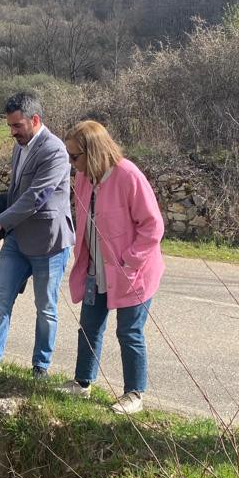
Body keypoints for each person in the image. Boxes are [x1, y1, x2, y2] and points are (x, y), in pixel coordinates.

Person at [61, 120, 164, 415]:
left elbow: (153, 226)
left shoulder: (128, 175)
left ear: (93, 152)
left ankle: (134, 394)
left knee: (129, 332)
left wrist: (129, 261)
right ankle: (83, 383)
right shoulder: (83, 178)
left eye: (75, 156)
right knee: (89, 326)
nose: (71, 162)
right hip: (97, 270)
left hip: (133, 272)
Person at [0, 93, 74, 378]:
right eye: (10, 126)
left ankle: (40, 367)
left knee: (46, 308)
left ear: (35, 120)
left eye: (17, 125)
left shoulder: (55, 151)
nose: (13, 132)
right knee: (1, 297)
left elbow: (35, 197)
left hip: (49, 243)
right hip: (17, 239)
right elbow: (17, 192)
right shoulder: (19, 147)